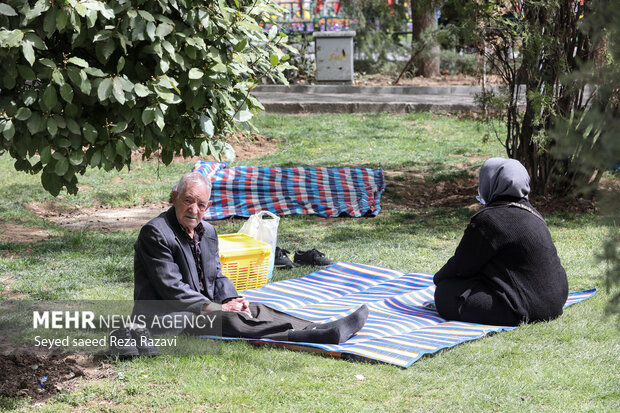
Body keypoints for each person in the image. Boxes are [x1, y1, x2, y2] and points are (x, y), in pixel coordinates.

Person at [117, 172, 367, 356]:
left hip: (201, 308)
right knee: (230, 320)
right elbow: (171, 288)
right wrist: (215, 309)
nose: (194, 210)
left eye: (201, 204)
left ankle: (316, 327)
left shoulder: (208, 231)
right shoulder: (156, 233)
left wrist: (232, 300)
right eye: (188, 201)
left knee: (253, 310)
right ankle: (305, 336)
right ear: (174, 197)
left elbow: (217, 276)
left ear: (208, 207)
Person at [433, 158, 569, 326]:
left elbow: (462, 266)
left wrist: (439, 279)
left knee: (445, 292)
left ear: (490, 183)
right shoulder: (533, 214)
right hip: (555, 302)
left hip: (524, 308)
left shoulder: (489, 219)